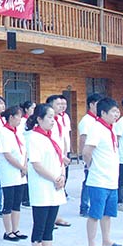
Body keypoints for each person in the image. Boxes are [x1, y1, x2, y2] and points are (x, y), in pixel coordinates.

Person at [25, 104, 67, 246]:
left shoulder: (52, 136)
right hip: (42, 187)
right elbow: (37, 165)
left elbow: (60, 160)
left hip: (55, 187)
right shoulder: (34, 137)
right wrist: (55, 179)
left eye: (53, 117)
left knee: (50, 226)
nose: (52, 120)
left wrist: (62, 176)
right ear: (39, 119)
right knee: (40, 226)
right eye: (49, 117)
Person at [83, 97, 123, 246]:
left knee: (108, 213)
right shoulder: (97, 128)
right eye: (113, 111)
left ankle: (106, 240)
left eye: (117, 111)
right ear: (103, 113)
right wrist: (91, 166)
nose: (116, 114)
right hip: (99, 180)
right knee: (95, 214)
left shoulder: (111, 128)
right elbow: (87, 151)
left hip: (111, 180)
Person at [0, 106, 28, 242]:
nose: (20, 119)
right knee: (8, 202)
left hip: (20, 172)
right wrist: (21, 167)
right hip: (9, 172)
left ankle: (16, 229)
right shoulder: (3, 133)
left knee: (17, 202)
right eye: (18, 116)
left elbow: (24, 151)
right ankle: (8, 231)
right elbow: (7, 155)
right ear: (11, 117)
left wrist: (24, 166)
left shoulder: (18, 132)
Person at [48, 94, 72, 227]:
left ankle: (55, 216)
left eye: (62, 104)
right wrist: (61, 156)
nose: (61, 106)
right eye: (58, 104)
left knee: (60, 185)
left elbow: (63, 138)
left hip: (61, 156)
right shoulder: (48, 121)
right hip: (53, 158)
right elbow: (50, 141)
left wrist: (65, 153)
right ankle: (51, 218)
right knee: (53, 186)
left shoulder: (61, 119)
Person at [78, 93, 103, 217]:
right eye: (98, 104)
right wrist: (85, 158)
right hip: (90, 156)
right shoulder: (87, 121)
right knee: (88, 181)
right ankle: (84, 207)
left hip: (98, 156)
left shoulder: (97, 120)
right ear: (91, 105)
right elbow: (83, 139)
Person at [19, 100, 35, 208]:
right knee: (26, 175)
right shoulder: (22, 121)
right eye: (32, 108)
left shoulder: (32, 120)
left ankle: (29, 197)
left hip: (31, 150)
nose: (33, 110)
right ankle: (25, 199)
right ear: (26, 109)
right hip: (25, 150)